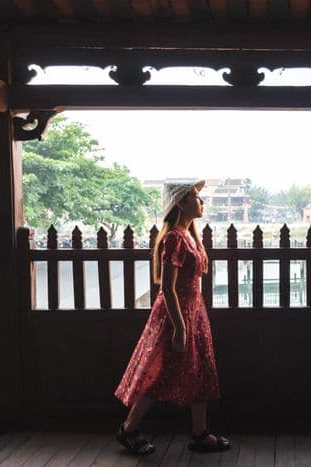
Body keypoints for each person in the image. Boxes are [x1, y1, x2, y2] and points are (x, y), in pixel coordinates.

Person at [114, 179, 231, 455]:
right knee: (158, 371)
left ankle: (200, 432)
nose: (202, 202)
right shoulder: (175, 238)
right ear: (181, 203)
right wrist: (179, 326)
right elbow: (167, 287)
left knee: (199, 368)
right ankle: (128, 429)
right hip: (176, 314)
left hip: (193, 310)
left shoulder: (188, 234)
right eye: (196, 197)